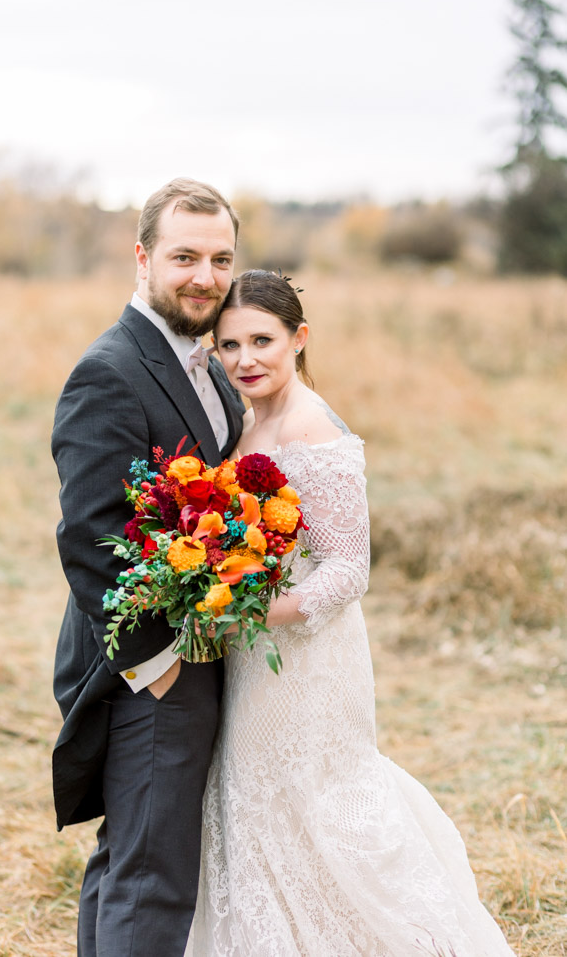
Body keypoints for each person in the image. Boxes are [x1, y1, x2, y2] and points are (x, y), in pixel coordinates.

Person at [186, 270, 515, 957]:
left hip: (307, 654)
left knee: (316, 795)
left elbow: (349, 567)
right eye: (229, 344)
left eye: (262, 341)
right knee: (260, 795)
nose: (245, 358)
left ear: (299, 339)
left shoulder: (312, 426)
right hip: (256, 648)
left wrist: (254, 613)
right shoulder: (251, 417)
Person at [51, 178, 245, 957]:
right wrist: (155, 664)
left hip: (192, 647)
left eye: (221, 258)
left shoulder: (209, 360)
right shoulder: (111, 370)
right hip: (146, 662)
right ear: (142, 258)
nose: (205, 276)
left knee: (132, 857)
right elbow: (91, 535)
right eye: (185, 257)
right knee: (153, 875)